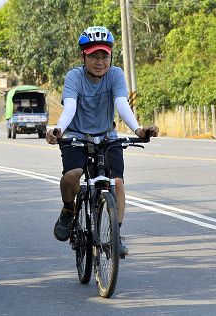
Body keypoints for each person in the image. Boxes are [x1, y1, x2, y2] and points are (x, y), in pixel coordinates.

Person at [45, 26, 159, 257]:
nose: (100, 61)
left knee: (116, 183)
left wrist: (138, 129)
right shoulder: (74, 76)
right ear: (83, 56)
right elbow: (70, 107)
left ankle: (115, 235)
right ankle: (69, 209)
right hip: (76, 135)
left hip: (107, 136)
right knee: (72, 176)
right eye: (94, 56)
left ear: (110, 56)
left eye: (104, 55)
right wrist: (58, 129)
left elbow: (121, 103)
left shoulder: (115, 74)